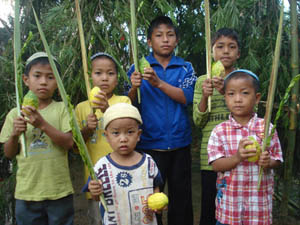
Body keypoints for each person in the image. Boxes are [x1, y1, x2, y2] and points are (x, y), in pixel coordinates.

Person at [126, 15, 196, 225]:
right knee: (151, 200)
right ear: (149, 41)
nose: (165, 39)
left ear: (176, 40)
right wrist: (133, 87)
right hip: (149, 146)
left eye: (170, 35)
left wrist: (159, 84)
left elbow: (187, 97)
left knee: (181, 200)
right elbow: (126, 105)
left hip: (180, 145)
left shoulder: (186, 68)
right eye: (159, 35)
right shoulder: (137, 68)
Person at [0, 52, 74, 225]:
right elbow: (9, 153)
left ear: (57, 83)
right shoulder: (14, 114)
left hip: (59, 190)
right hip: (27, 192)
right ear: (26, 80)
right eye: (37, 76)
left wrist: (42, 124)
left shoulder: (62, 108)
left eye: (50, 77)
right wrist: (14, 135)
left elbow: (69, 143)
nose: (43, 82)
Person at [207, 69, 283, 225]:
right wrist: (237, 157)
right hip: (230, 208)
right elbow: (215, 165)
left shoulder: (267, 128)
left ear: (257, 98)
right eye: (231, 94)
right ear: (225, 98)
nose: (238, 99)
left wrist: (268, 162)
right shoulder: (219, 131)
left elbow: (278, 159)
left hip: (259, 208)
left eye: (245, 93)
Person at [75, 52, 131, 225]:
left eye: (110, 73)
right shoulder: (81, 108)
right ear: (90, 77)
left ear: (116, 77)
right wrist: (86, 129)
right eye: (98, 73)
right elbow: (76, 148)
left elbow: (129, 134)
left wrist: (107, 111)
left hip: (122, 175)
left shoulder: (123, 101)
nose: (104, 78)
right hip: (96, 180)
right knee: (98, 219)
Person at [86, 103, 164, 225]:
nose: (123, 139)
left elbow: (155, 187)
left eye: (130, 132)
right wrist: (94, 192)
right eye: (116, 133)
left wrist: (158, 204)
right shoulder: (101, 167)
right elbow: (97, 197)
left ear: (138, 135)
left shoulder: (148, 162)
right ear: (107, 136)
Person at [193, 28, 241, 225]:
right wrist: (206, 95)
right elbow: (198, 121)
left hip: (237, 156)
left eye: (232, 47)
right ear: (212, 52)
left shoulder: (243, 80)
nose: (226, 51)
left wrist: (227, 91)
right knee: (209, 209)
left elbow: (248, 117)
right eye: (220, 46)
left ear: (238, 53)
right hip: (210, 159)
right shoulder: (202, 81)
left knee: (236, 208)